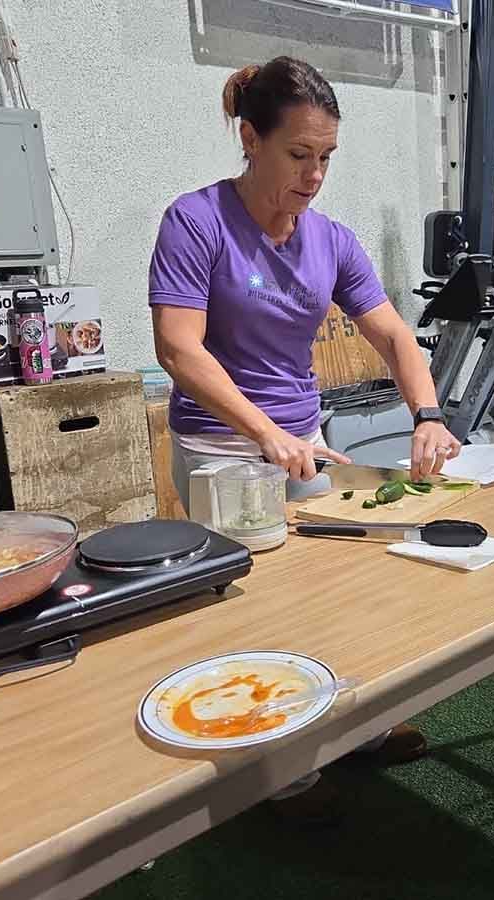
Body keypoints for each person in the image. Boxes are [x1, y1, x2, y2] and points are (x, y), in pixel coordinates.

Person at [149, 56, 461, 825]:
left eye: (326, 157)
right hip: (224, 451)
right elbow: (178, 349)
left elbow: (392, 333)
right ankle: (269, 771)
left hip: (302, 442)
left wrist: (428, 414)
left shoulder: (331, 239)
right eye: (298, 154)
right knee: (250, 612)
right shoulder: (196, 222)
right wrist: (262, 434)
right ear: (250, 138)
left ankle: (354, 731)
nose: (314, 174)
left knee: (330, 598)